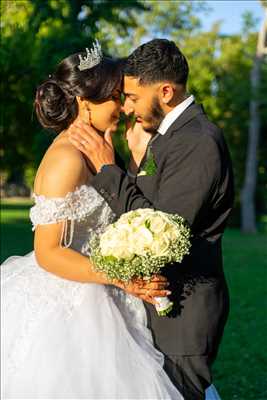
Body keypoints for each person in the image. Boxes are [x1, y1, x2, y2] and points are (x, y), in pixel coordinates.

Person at [1, 42, 182, 399]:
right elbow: (48, 252)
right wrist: (121, 277)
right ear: (86, 103)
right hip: (73, 302)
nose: (125, 105)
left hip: (105, 289)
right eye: (116, 96)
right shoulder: (66, 158)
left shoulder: (97, 148)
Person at [69, 38, 234, 400]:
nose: (127, 107)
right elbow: (150, 199)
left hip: (184, 312)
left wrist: (108, 169)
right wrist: (136, 162)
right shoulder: (169, 136)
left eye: (132, 97)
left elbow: (160, 232)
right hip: (161, 303)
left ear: (165, 91)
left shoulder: (198, 141)